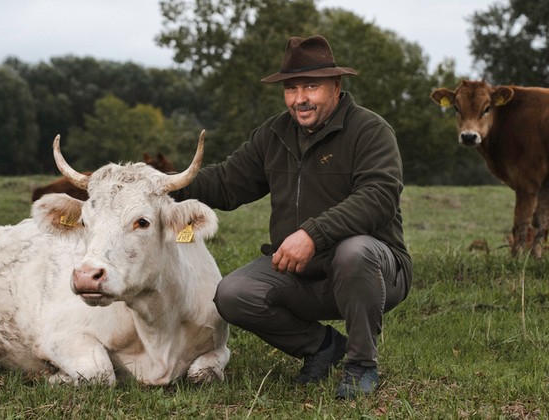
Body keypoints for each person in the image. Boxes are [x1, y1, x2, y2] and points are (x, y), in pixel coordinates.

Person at [172, 35, 412, 399]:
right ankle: (321, 347)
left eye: (311, 86)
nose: (300, 98)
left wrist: (312, 234)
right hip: (301, 272)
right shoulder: (275, 133)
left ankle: (361, 364)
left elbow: (378, 197)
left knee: (354, 252)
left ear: (336, 86)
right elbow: (225, 183)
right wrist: (157, 185)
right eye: (291, 88)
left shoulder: (370, 130)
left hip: (374, 271)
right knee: (233, 294)